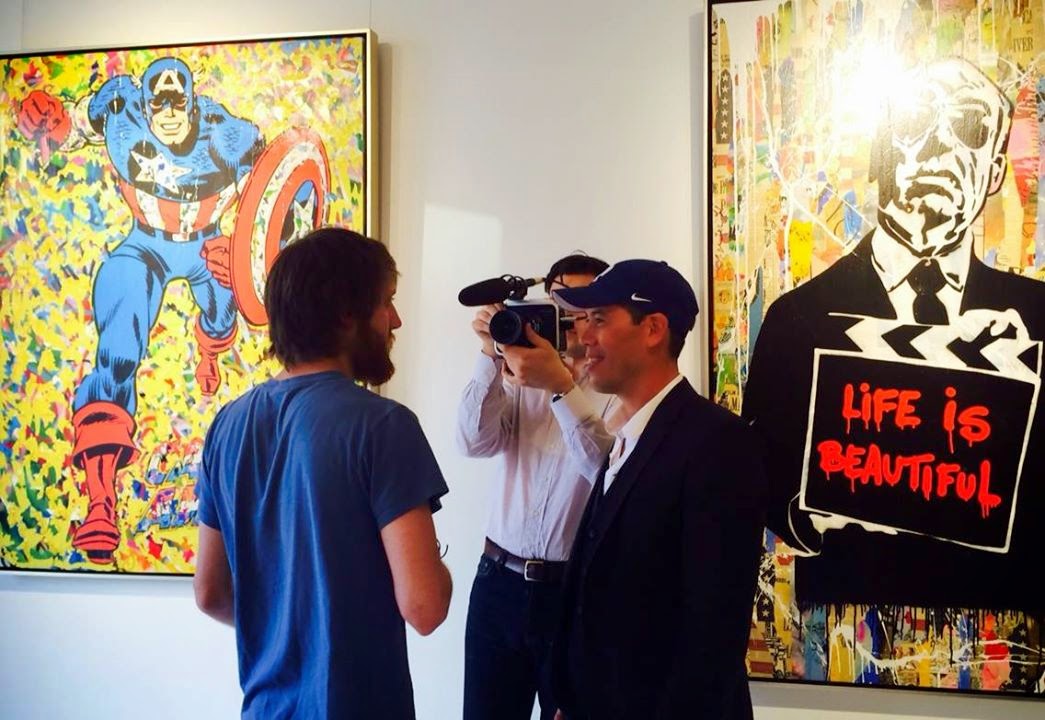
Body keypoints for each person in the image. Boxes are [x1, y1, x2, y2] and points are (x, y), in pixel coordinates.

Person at [743, 57, 1045, 612]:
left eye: (970, 126)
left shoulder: (1037, 318)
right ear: (881, 152)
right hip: (848, 610)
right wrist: (808, 510)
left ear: (995, 171)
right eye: (914, 121)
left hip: (1003, 612)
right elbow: (756, 476)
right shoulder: (796, 320)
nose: (939, 144)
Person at [193, 227, 452, 719]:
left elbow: (210, 593)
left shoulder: (227, 425)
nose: (396, 320)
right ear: (347, 313)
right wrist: (437, 568)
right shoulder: (384, 426)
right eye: (386, 302)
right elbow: (425, 607)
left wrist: (287, 633)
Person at [16, 57, 267, 561]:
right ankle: (101, 502)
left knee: (223, 313)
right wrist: (51, 120)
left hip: (206, 247)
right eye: (160, 102)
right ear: (145, 105)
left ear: (193, 103)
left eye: (178, 101)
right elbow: (74, 129)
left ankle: (208, 352)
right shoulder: (120, 109)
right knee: (117, 353)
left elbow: (273, 192)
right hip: (144, 245)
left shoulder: (227, 134)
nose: (169, 112)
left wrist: (247, 252)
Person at [548, 259, 767, 720]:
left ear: (653, 329)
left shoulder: (718, 442)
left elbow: (712, 633)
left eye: (600, 319)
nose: (584, 337)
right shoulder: (628, 438)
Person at [456, 253, 617, 720]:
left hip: (572, 593)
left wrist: (561, 387)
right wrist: (490, 355)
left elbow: (607, 475)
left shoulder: (615, 387)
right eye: (559, 307)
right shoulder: (517, 375)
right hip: (497, 579)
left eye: (585, 308)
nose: (571, 320)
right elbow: (472, 441)